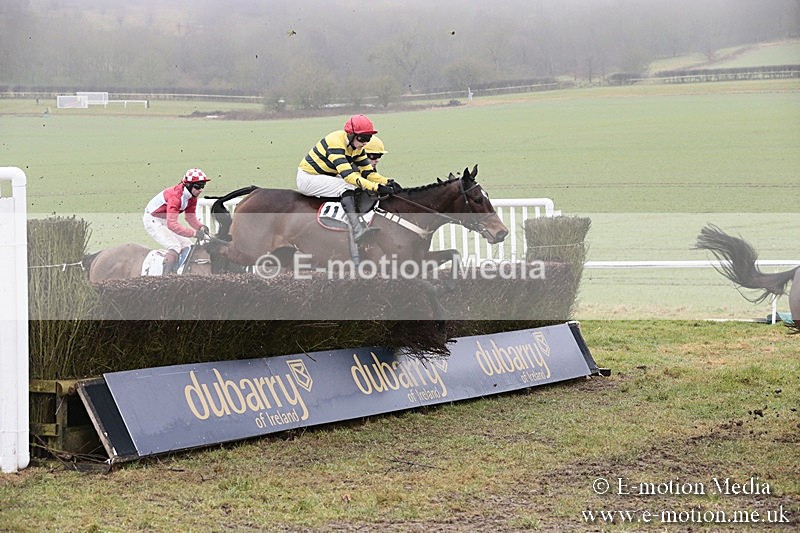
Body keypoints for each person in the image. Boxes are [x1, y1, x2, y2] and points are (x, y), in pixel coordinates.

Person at [296, 114, 402, 243]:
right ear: (351, 134)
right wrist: (377, 187)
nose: (365, 143)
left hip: (325, 176)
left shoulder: (357, 148)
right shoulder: (336, 143)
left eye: (368, 138)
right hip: (309, 178)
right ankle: (357, 228)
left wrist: (388, 182)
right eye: (362, 138)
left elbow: (368, 173)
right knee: (346, 186)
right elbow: (349, 176)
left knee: (353, 186)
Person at [143, 168, 211, 274]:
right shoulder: (175, 197)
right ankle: (166, 279)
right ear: (188, 185)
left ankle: (179, 272)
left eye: (202, 186)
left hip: (164, 219)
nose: (200, 190)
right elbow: (172, 224)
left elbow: (190, 217)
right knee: (175, 246)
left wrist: (201, 227)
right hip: (153, 220)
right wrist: (193, 233)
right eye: (198, 186)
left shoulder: (192, 197)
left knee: (187, 246)